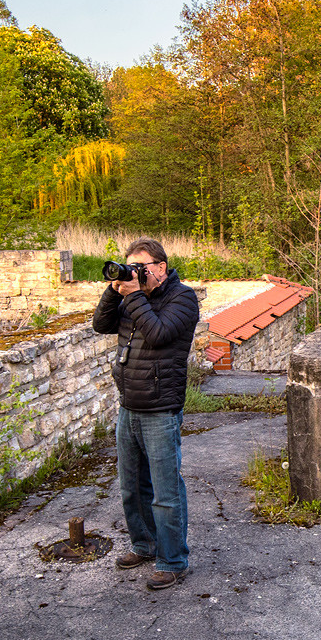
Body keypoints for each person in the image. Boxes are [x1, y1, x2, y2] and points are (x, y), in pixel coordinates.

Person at [92, 238, 200, 590]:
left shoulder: (182, 298)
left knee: (165, 492)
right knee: (132, 487)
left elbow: (157, 335)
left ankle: (172, 560)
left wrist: (135, 294)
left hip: (160, 407)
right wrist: (115, 290)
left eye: (142, 267)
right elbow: (101, 325)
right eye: (131, 266)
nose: (136, 273)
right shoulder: (132, 298)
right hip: (128, 404)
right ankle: (144, 544)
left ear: (161, 268)